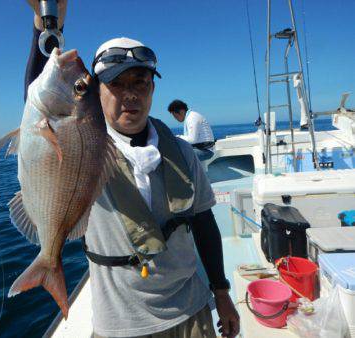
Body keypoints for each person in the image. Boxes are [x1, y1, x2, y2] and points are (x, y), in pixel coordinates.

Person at [25, 1, 239, 337]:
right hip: (121, 324)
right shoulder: (82, 150)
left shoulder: (182, 153)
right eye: (116, 83)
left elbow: (204, 223)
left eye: (140, 82)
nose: (130, 95)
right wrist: (44, 26)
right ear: (96, 91)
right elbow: (42, 96)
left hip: (192, 310)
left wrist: (222, 293)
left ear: (153, 89)